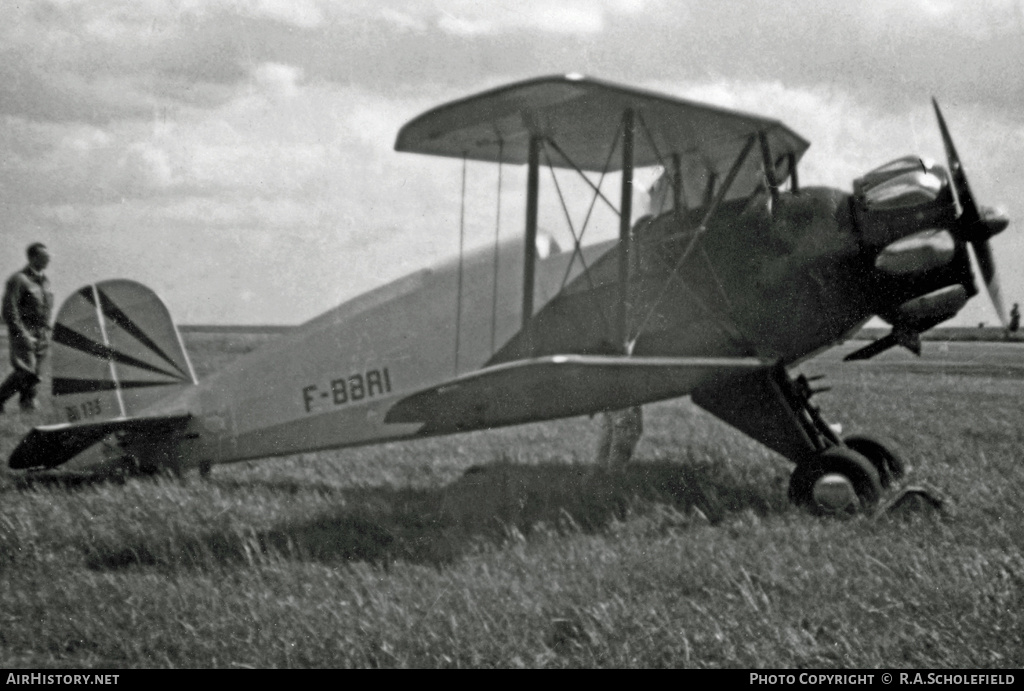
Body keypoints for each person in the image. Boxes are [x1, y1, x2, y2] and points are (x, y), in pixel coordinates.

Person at [0, 243, 53, 412]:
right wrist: (21, 333)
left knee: (36, 374)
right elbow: (10, 309)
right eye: (43, 256)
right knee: (25, 370)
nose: (48, 259)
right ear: (32, 258)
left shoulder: (45, 282)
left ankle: (28, 404)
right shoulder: (18, 279)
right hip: (24, 331)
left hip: (42, 333)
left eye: (48, 256)